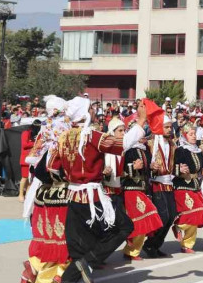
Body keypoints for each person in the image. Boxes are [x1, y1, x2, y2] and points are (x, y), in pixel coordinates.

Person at [59, 98, 145, 283]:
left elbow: (51, 167)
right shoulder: (91, 135)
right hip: (92, 198)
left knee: (77, 247)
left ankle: (75, 271)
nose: (93, 111)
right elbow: (122, 144)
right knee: (124, 226)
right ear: (83, 113)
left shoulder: (63, 137)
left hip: (73, 196)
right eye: (90, 108)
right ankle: (88, 261)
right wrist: (141, 122)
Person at [21, 115, 70, 283]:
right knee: (63, 239)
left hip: (43, 197)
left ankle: (34, 266)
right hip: (61, 199)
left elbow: (39, 172)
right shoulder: (64, 151)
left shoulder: (47, 149)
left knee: (46, 237)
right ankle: (54, 274)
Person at [115, 118, 162, 262]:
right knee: (145, 216)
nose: (143, 137)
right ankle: (131, 249)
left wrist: (152, 169)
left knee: (144, 219)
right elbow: (119, 170)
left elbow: (147, 172)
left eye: (144, 134)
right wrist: (132, 168)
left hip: (142, 188)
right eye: (141, 134)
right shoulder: (126, 149)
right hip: (130, 189)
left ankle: (132, 250)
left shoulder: (145, 150)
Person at [143, 115, 178, 258]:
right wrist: (150, 166)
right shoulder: (150, 143)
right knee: (163, 216)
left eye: (171, 127)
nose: (170, 130)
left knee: (171, 217)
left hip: (169, 183)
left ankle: (155, 245)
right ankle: (150, 244)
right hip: (156, 183)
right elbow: (143, 162)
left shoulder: (173, 145)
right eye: (167, 127)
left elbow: (173, 164)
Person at [173, 123, 203, 254]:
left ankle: (187, 244)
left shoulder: (198, 151)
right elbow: (173, 167)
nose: (194, 136)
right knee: (191, 214)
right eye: (191, 134)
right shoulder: (180, 150)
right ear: (184, 136)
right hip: (183, 185)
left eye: (195, 134)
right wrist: (180, 169)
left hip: (195, 186)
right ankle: (178, 225)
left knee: (199, 213)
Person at [19, 119, 41, 202]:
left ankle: (28, 195)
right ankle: (21, 194)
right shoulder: (26, 133)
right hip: (25, 158)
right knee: (24, 177)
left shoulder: (36, 134)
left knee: (30, 178)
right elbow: (24, 144)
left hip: (33, 158)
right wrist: (36, 143)